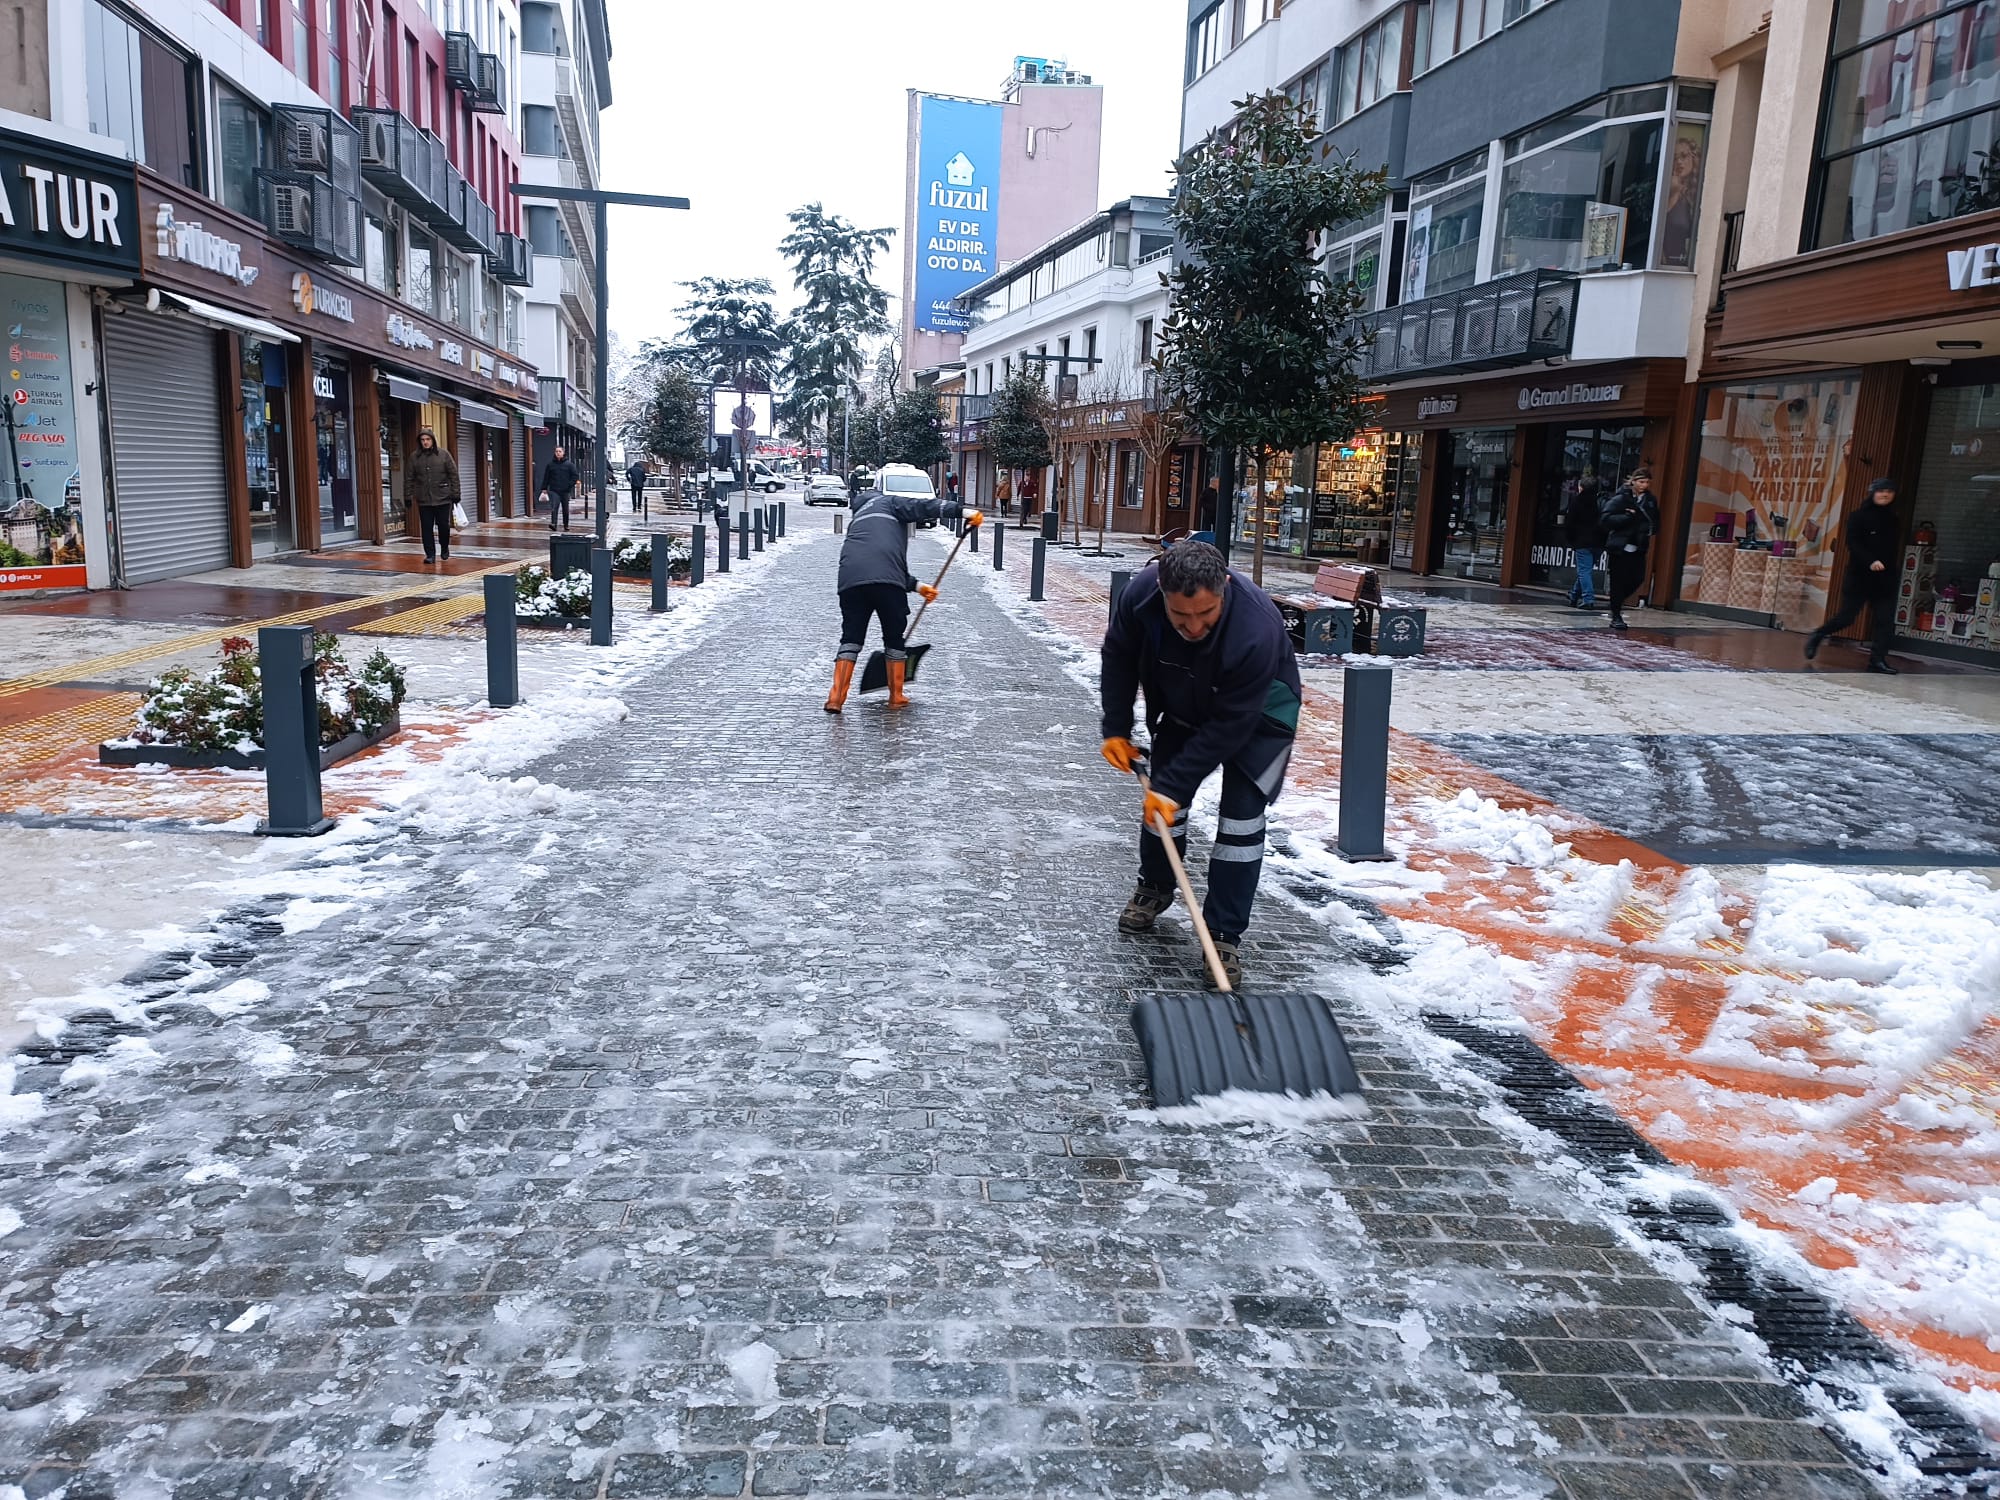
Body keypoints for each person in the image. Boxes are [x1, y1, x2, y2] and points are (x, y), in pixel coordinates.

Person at [1099, 541, 1302, 990]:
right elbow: (1118, 655)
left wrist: (1173, 783)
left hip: (1260, 713)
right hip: (1183, 699)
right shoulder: (1141, 595)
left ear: (1224, 588)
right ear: (1163, 594)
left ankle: (1223, 934)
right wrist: (1115, 727)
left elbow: (1232, 725)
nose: (1193, 626)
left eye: (1205, 614)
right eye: (1181, 616)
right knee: (1162, 813)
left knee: (1241, 825)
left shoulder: (1256, 630)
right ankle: (1155, 885)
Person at [823, 481, 974, 713]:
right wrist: (962, 511)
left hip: (850, 581)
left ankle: (835, 699)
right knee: (893, 638)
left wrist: (919, 587)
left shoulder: (858, 519)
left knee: (851, 638)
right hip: (887, 584)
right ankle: (896, 696)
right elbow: (924, 507)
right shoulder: (890, 503)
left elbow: (877, 561)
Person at [1807, 477, 1903, 675]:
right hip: (1860, 577)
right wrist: (1871, 560)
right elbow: (1853, 543)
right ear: (1873, 493)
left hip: (1885, 580)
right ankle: (1819, 634)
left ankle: (1877, 660)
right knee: (1847, 617)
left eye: (1889, 491)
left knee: (1885, 620)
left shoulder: (1894, 519)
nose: (1885, 494)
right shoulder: (1858, 516)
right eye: (1881, 491)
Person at [1598, 465, 1661, 631]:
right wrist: (1626, 517)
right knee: (1618, 581)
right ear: (1633, 481)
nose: (1644, 485)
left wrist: (1651, 529)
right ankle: (1616, 614)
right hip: (1620, 547)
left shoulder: (1650, 500)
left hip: (1639, 546)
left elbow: (1655, 520)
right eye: (1641, 481)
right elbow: (1606, 519)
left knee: (1637, 578)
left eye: (1647, 482)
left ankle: (1616, 602)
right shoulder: (1621, 499)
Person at [405, 426, 459, 565]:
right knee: (426, 528)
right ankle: (430, 554)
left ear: (433, 440)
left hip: (443, 497)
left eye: (428, 439)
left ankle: (445, 546)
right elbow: (409, 478)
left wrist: (455, 494)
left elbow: (453, 475)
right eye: (423, 440)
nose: (425, 442)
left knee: (443, 526)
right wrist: (408, 496)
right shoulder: (414, 457)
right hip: (424, 499)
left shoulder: (443, 455)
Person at [1565, 467, 1605, 609]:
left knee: (1584, 571)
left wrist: (1571, 541)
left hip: (1583, 542)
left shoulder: (1576, 501)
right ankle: (1574, 594)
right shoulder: (1601, 501)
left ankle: (1588, 599)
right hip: (1599, 542)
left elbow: (1570, 523)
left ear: (1581, 487)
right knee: (1585, 571)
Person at [540, 445, 579, 532]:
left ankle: (566, 525)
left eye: (560, 451)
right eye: (556, 451)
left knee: (565, 508)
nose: (558, 453)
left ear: (563, 453)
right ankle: (554, 524)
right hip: (554, 490)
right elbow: (546, 477)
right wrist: (544, 488)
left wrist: (569, 485)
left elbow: (575, 476)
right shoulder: (550, 465)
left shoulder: (569, 465)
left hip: (565, 490)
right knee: (554, 506)